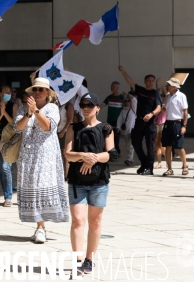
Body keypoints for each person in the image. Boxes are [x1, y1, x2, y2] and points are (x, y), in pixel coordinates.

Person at [64, 93, 116, 275]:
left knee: (95, 222)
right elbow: (68, 154)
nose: (86, 108)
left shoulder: (106, 128)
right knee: (78, 220)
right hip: (77, 181)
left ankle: (89, 260)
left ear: (97, 108)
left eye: (90, 105)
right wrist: (82, 156)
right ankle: (78, 259)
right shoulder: (73, 127)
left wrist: (92, 158)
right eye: (83, 105)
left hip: (99, 181)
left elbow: (112, 154)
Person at [14, 77, 69, 244]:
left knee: (41, 187)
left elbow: (48, 126)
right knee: (31, 188)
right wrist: (29, 113)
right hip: (27, 156)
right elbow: (18, 128)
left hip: (45, 156)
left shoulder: (52, 108)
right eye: (34, 90)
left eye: (40, 90)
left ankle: (41, 227)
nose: (37, 93)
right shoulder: (24, 108)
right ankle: (39, 226)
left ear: (47, 93)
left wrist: (36, 112)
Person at [118, 66, 162, 175]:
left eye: (152, 81)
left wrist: (151, 114)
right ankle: (144, 163)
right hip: (139, 122)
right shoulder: (140, 90)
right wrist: (123, 71)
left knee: (149, 146)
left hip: (150, 123)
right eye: (148, 81)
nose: (151, 83)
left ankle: (149, 168)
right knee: (135, 143)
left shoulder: (155, 94)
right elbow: (130, 81)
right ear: (145, 82)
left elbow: (159, 108)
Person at [161, 78, 189, 176]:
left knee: (179, 146)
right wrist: (163, 107)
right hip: (168, 123)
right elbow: (165, 110)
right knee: (168, 147)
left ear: (174, 86)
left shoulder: (181, 96)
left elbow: (185, 112)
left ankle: (185, 165)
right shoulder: (168, 96)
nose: (167, 86)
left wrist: (184, 126)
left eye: (168, 85)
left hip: (177, 123)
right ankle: (169, 168)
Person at [102, 81, 124, 156]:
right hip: (110, 120)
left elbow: (125, 108)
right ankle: (111, 151)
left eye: (113, 86)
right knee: (109, 136)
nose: (112, 88)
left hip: (118, 121)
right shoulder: (109, 97)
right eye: (111, 86)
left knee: (116, 137)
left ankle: (117, 151)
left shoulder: (122, 98)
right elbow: (102, 105)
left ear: (118, 88)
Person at [117, 94, 137, 166]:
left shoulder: (133, 109)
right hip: (126, 131)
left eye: (129, 101)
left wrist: (128, 94)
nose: (127, 102)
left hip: (133, 130)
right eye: (126, 101)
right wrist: (118, 127)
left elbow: (134, 100)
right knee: (128, 145)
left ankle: (129, 159)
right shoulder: (123, 111)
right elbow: (120, 120)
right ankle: (131, 159)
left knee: (131, 145)